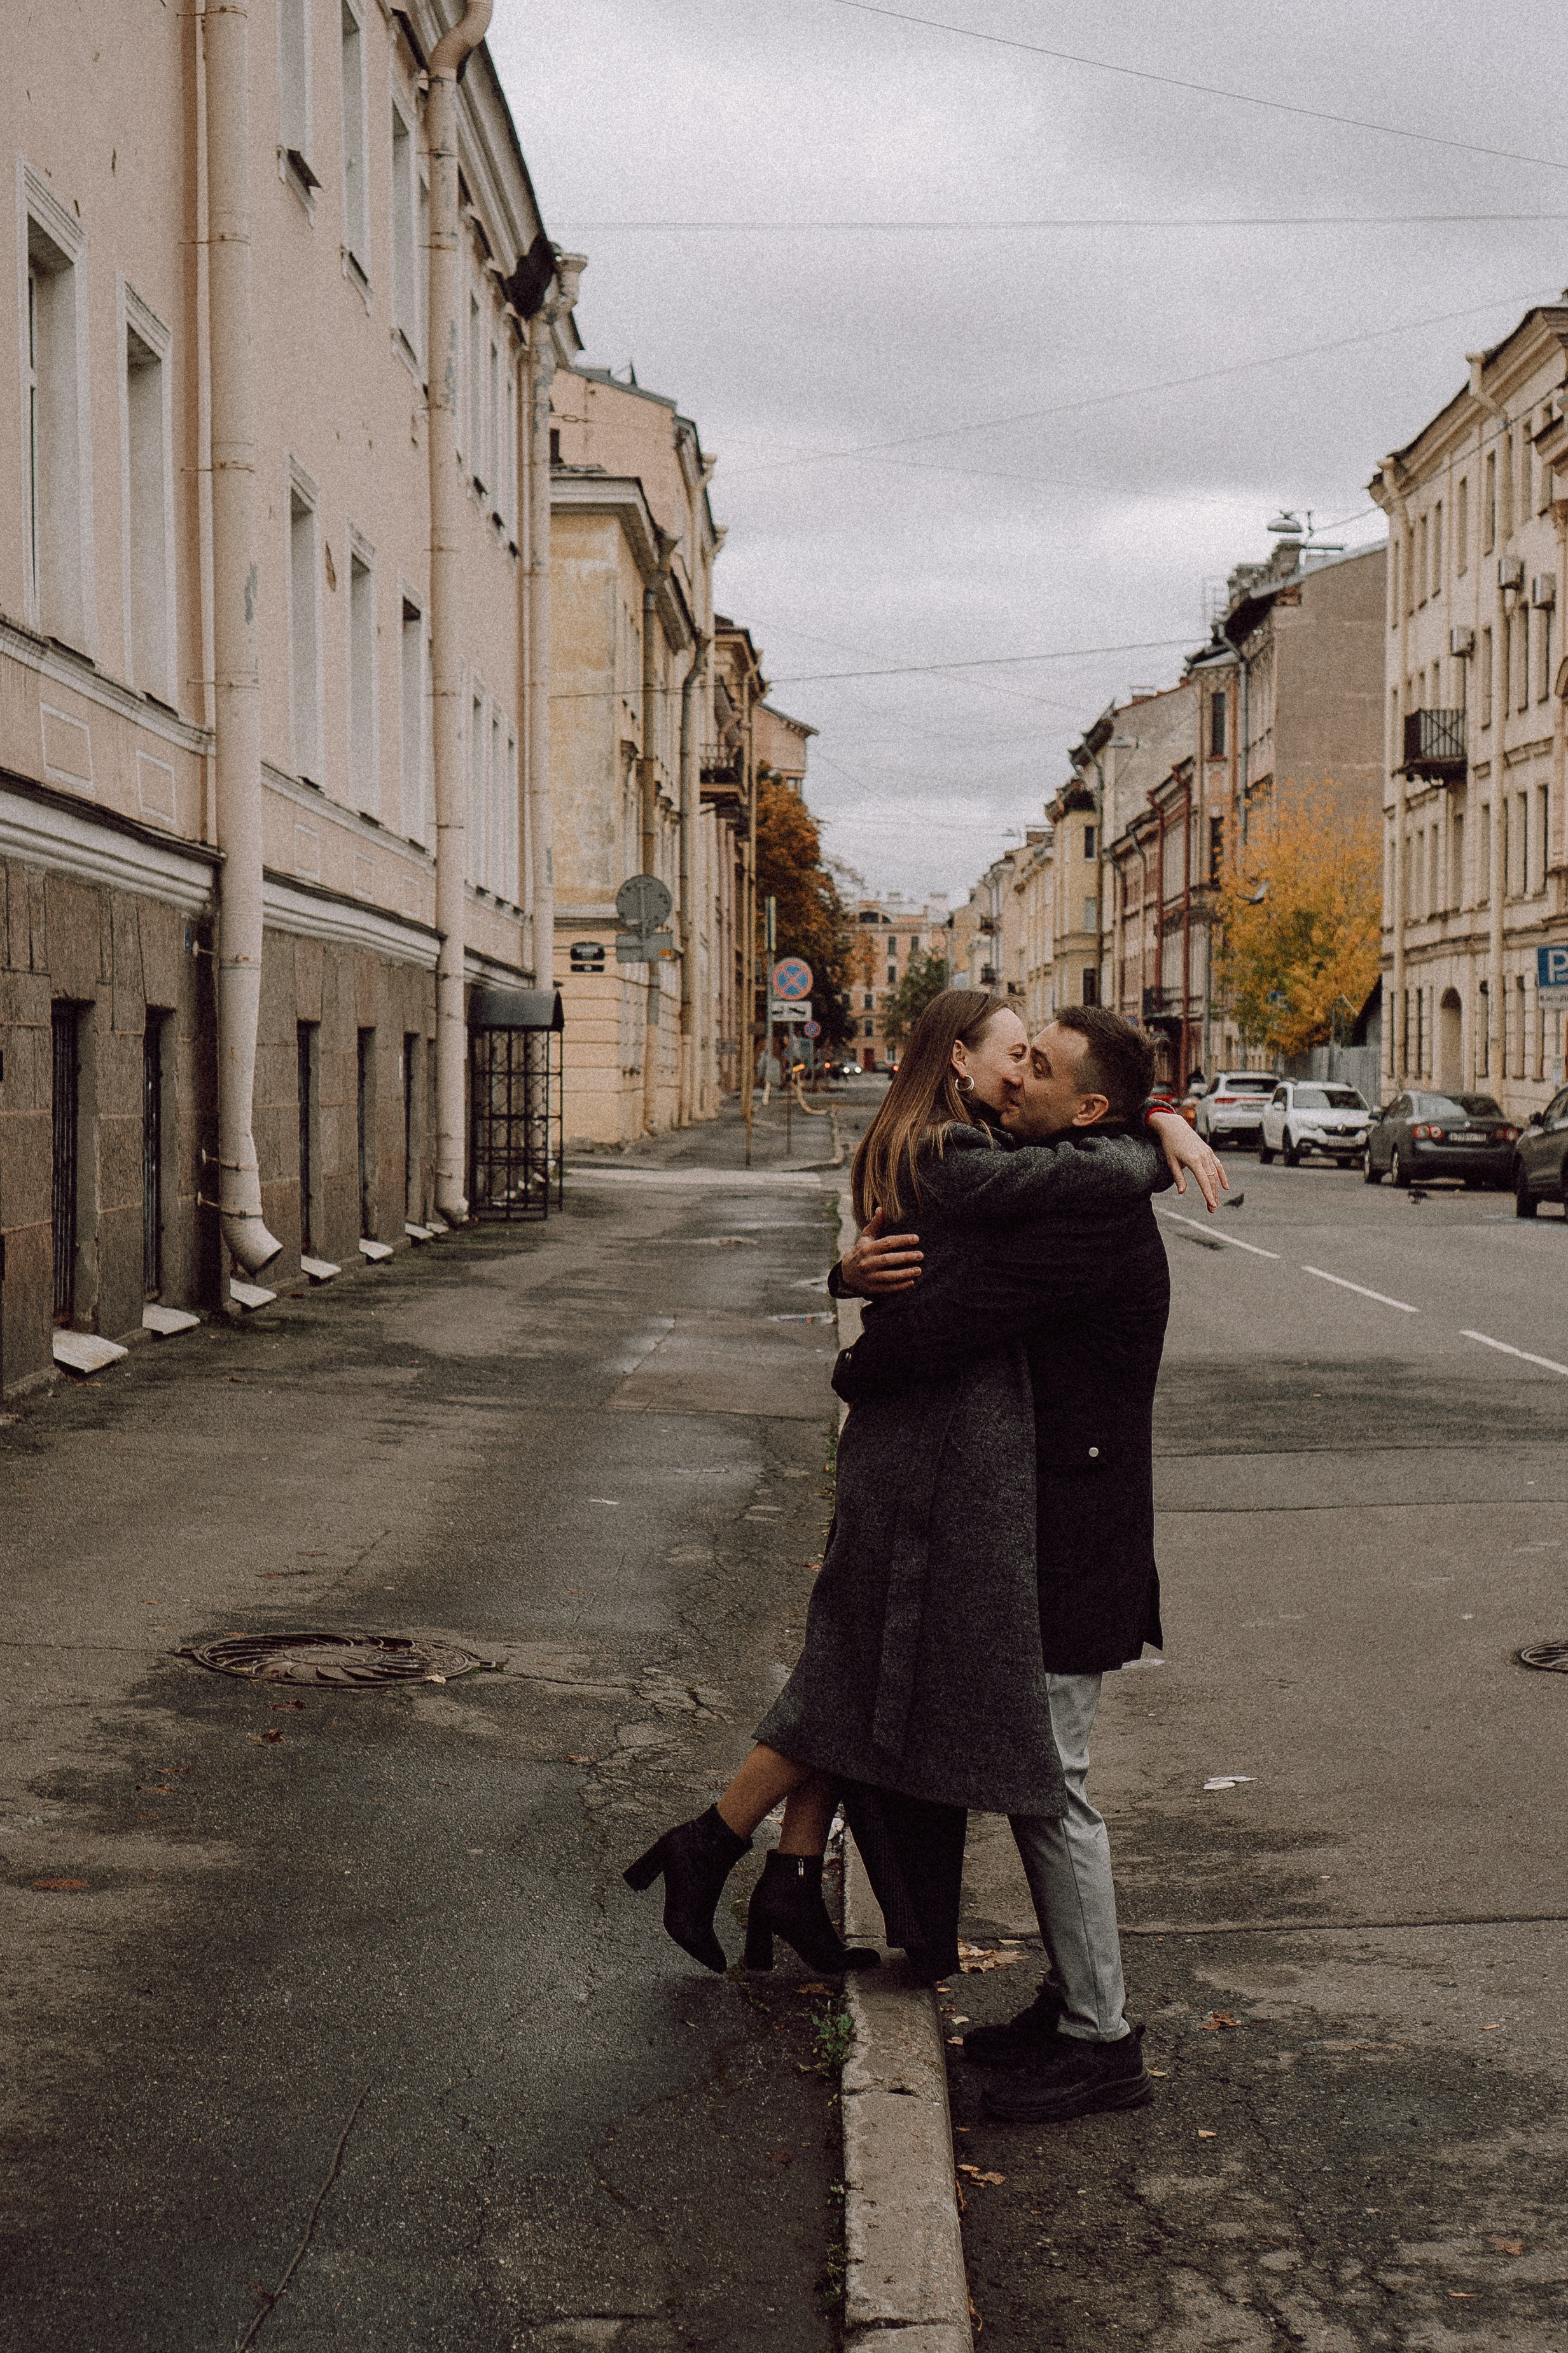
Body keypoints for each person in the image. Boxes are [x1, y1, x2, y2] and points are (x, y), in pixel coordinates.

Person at [624, 993, 1218, 1985]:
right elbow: (1072, 1179)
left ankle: (789, 1870)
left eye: (1037, 1060)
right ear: (958, 1061)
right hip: (921, 1452)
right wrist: (1152, 1134)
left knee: (866, 1668)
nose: (1022, 1071)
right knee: (861, 1668)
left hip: (936, 1448)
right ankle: (714, 1838)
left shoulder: (959, 1142)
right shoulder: (953, 1152)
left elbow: (1051, 1179)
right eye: (1014, 1054)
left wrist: (1148, 1112)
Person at [836, 1005, 1209, 2123]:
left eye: (1036, 1067)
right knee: (1047, 1781)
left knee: (1055, 1788)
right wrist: (1161, 1115)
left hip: (1073, 1538)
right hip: (1060, 1525)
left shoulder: (1083, 1220)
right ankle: (1074, 2006)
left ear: (1085, 1109)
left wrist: (860, 1356)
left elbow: (940, 1324)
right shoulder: (1071, 1173)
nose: (1013, 1077)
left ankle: (1101, 2039)